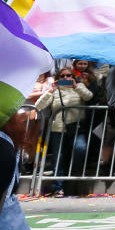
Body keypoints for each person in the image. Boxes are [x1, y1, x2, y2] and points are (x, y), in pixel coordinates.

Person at [33, 62, 93, 197]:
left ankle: (75, 176)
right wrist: (50, 91)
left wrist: (76, 87)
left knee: (80, 149)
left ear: (73, 76)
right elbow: (39, 105)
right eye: (63, 76)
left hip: (76, 127)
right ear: (58, 78)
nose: (66, 78)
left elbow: (88, 96)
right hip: (58, 129)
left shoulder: (79, 86)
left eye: (69, 75)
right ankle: (58, 187)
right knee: (58, 158)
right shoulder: (54, 90)